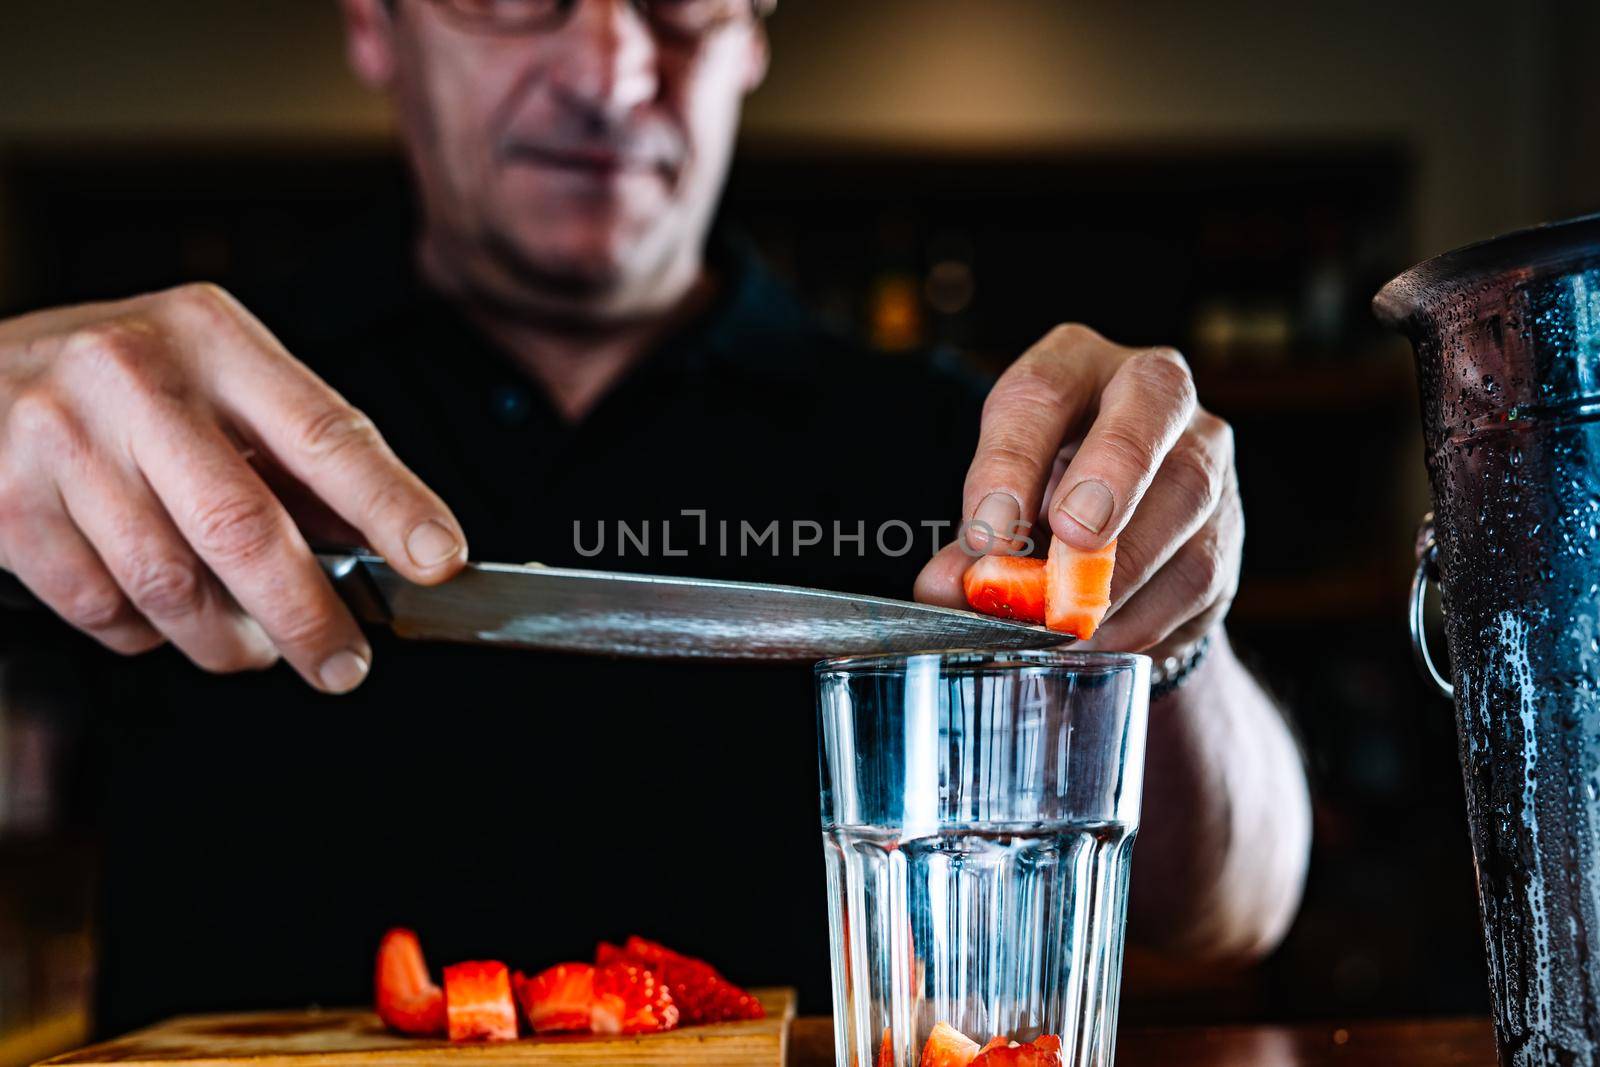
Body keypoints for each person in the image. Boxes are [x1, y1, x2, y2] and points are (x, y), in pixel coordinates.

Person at [0, 0, 1311, 1033]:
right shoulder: (149, 422)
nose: (613, 68)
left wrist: (1169, 637)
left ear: (752, 34)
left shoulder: (969, 452)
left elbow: (1239, 911)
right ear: (370, 21)